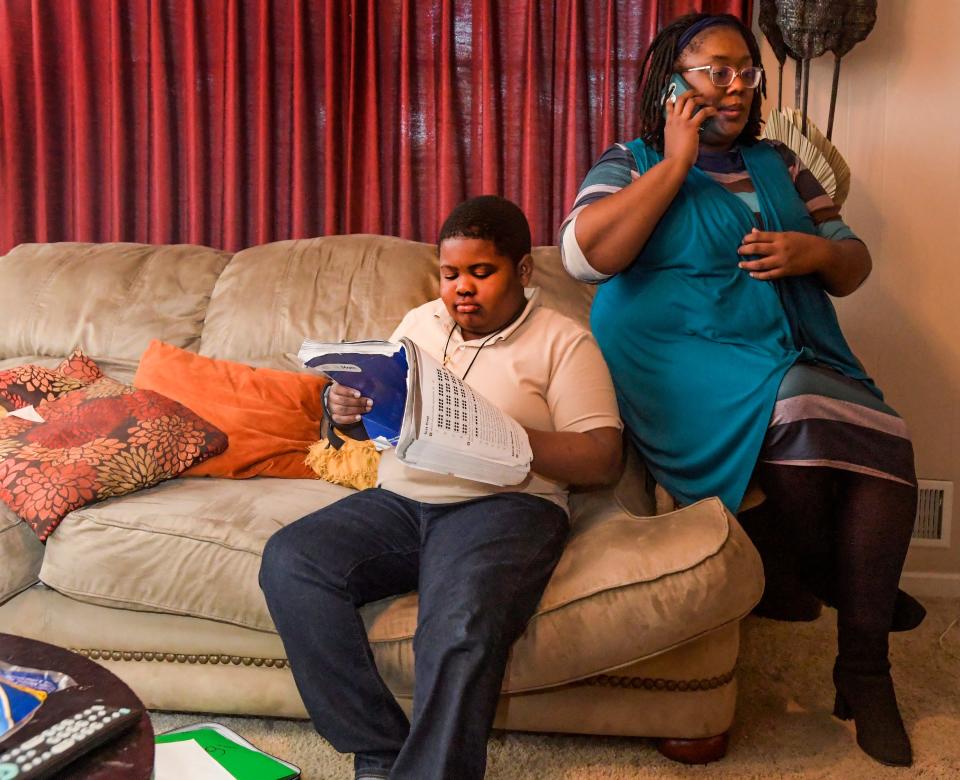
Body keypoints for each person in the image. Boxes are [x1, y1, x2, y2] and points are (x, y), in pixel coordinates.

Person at [559, 13, 920, 768]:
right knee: (806, 413)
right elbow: (587, 257)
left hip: (772, 341)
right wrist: (676, 160)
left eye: (743, 72)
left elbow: (851, 268)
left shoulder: (780, 162)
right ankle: (818, 579)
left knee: (883, 439)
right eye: (712, 70)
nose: (731, 87)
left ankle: (859, 662)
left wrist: (812, 250)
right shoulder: (631, 157)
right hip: (671, 354)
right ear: (672, 81)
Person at [260, 195, 623, 780]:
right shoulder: (419, 324)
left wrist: (505, 436)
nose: (462, 290)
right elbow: (376, 415)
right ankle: (378, 749)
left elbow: (604, 458)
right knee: (290, 560)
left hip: (504, 506)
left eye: (483, 273)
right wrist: (345, 409)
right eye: (451, 274)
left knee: (457, 625)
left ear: (523, 272)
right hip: (402, 499)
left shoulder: (566, 342)